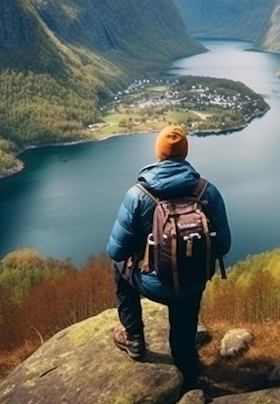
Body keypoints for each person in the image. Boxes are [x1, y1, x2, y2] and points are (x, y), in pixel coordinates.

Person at [106, 124, 231, 392]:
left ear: (159, 153)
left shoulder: (138, 195)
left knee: (118, 266)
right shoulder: (207, 192)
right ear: (184, 154)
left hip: (153, 284)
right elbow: (224, 246)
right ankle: (189, 375)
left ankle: (135, 339)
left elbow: (116, 251)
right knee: (183, 329)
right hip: (193, 283)